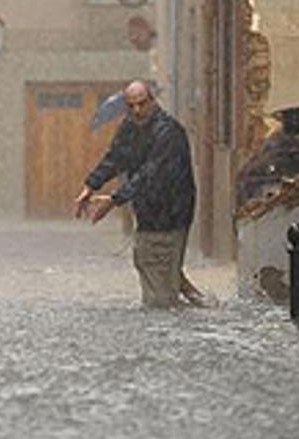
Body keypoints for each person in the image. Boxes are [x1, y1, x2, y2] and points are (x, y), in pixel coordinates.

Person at [74, 80, 204, 308]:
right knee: (149, 263)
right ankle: (199, 302)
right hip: (148, 213)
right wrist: (90, 186)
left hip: (170, 214)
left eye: (142, 104)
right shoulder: (130, 127)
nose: (136, 110)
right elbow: (115, 157)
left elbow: (150, 174)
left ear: (152, 101)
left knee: (159, 284)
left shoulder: (168, 132)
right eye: (131, 105)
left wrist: (114, 200)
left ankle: (184, 313)